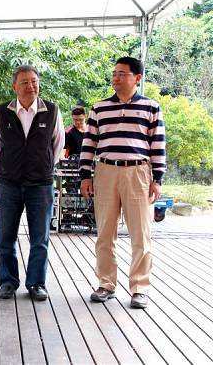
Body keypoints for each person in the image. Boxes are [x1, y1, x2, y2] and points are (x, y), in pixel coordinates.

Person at [80, 57, 166, 309]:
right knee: (105, 233)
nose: (116, 78)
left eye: (122, 74)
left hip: (138, 173)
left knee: (141, 234)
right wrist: (85, 175)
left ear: (137, 78)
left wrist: (158, 179)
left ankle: (140, 288)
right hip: (105, 171)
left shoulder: (151, 107)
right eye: (114, 73)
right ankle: (106, 284)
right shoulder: (99, 108)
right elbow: (89, 143)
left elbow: (158, 145)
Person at [0, 65, 64, 301]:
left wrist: (41, 164)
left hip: (40, 184)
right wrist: (14, 163)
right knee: (5, 237)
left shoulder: (52, 110)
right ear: (15, 86)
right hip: (10, 183)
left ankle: (36, 283)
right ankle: (7, 282)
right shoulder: (1, 112)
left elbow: (57, 145)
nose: (31, 86)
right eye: (24, 82)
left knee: (40, 238)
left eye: (34, 81)